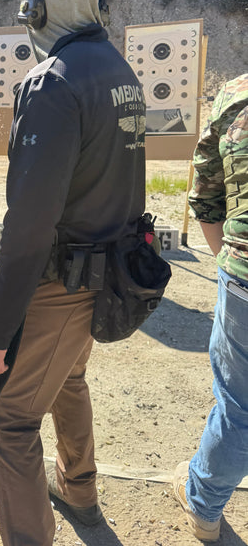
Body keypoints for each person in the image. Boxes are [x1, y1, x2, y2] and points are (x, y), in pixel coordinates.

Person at [0, 0, 146, 546]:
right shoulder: (120, 71)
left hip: (59, 285)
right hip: (105, 275)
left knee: (5, 419)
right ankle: (78, 489)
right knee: (68, 381)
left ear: (37, 5)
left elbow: (29, 223)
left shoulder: (52, 82)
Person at [174, 73, 248, 542]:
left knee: (240, 409)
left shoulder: (236, 95)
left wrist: (231, 262)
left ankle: (203, 506)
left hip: (246, 275)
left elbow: (206, 195)